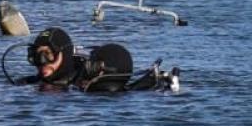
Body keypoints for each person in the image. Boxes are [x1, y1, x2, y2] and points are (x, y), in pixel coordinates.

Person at [17, 26, 178, 93]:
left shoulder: (82, 77)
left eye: (48, 55)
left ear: (63, 54)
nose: (43, 62)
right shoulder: (30, 83)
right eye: (38, 57)